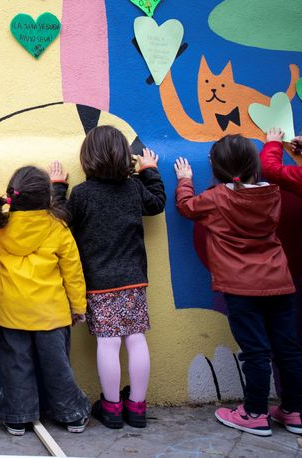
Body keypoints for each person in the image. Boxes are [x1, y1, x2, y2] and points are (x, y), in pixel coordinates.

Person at [175, 132, 302, 436]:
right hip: (278, 282)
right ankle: (294, 411)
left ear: (214, 166)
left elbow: (186, 206)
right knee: (287, 347)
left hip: (241, 288)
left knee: (256, 351)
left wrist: (184, 179)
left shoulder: (217, 198)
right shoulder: (271, 192)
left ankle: (255, 413)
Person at [52, 125, 165, 429]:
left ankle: (112, 408)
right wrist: (150, 170)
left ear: (88, 158)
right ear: (124, 157)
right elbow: (156, 204)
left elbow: (61, 217)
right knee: (137, 338)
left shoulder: (83, 194)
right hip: (134, 280)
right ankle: (138, 408)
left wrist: (58, 187)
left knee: (108, 342)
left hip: (99, 283)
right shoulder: (133, 188)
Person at [0, 165, 90, 436]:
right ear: (49, 198)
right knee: (57, 366)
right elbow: (72, 271)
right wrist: (79, 306)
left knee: (15, 365)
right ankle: (71, 414)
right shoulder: (58, 227)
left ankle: (17, 417)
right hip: (51, 313)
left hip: (11, 312)